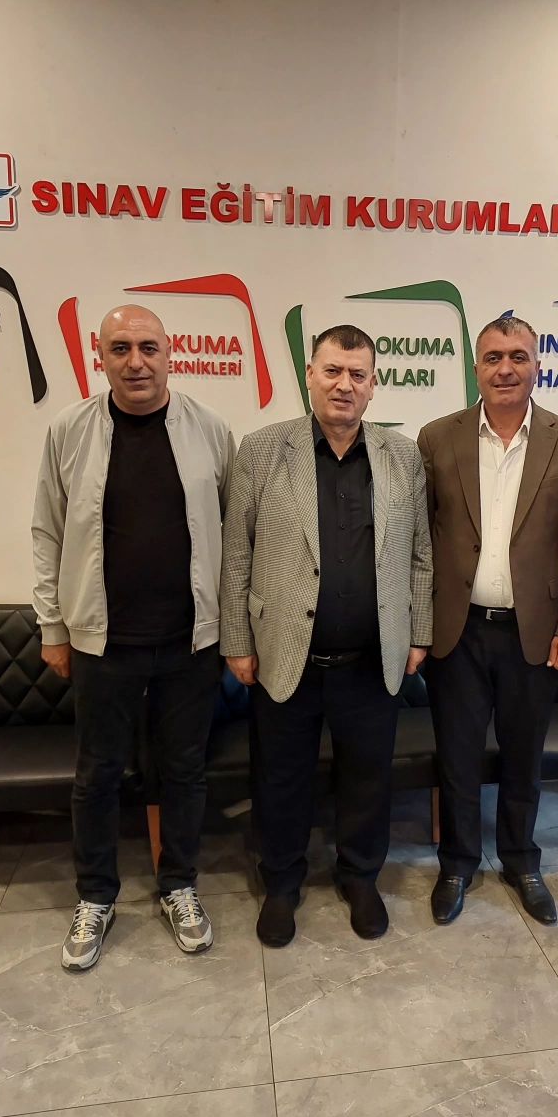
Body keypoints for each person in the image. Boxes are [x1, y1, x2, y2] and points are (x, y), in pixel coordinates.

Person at [33, 305, 235, 971]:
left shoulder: (210, 430)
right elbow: (47, 532)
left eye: (148, 347)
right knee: (96, 776)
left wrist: (233, 629)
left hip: (190, 641)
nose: (136, 361)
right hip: (101, 642)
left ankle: (179, 884)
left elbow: (234, 537)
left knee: (183, 771)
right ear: (101, 357)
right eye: (120, 348)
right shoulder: (69, 430)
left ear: (170, 353)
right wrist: (53, 626)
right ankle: (95, 894)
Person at [222, 324, 432, 947]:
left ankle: (360, 877)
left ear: (373, 384)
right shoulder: (262, 450)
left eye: (357, 374)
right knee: (280, 778)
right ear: (310, 375)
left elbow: (420, 553)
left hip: (371, 658)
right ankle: (282, 883)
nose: (344, 384)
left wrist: (419, 632)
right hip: (285, 654)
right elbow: (237, 553)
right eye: (332, 371)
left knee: (368, 776)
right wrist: (237, 640)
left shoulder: (402, 455)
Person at [418, 316, 558, 927]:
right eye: (493, 357)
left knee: (523, 757)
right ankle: (458, 864)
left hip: (532, 632)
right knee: (458, 758)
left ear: (537, 365)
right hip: (457, 630)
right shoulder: (437, 437)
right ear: (476, 367)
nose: (506, 368)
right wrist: (418, 627)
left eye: (518, 356)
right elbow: (420, 541)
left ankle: (521, 860)